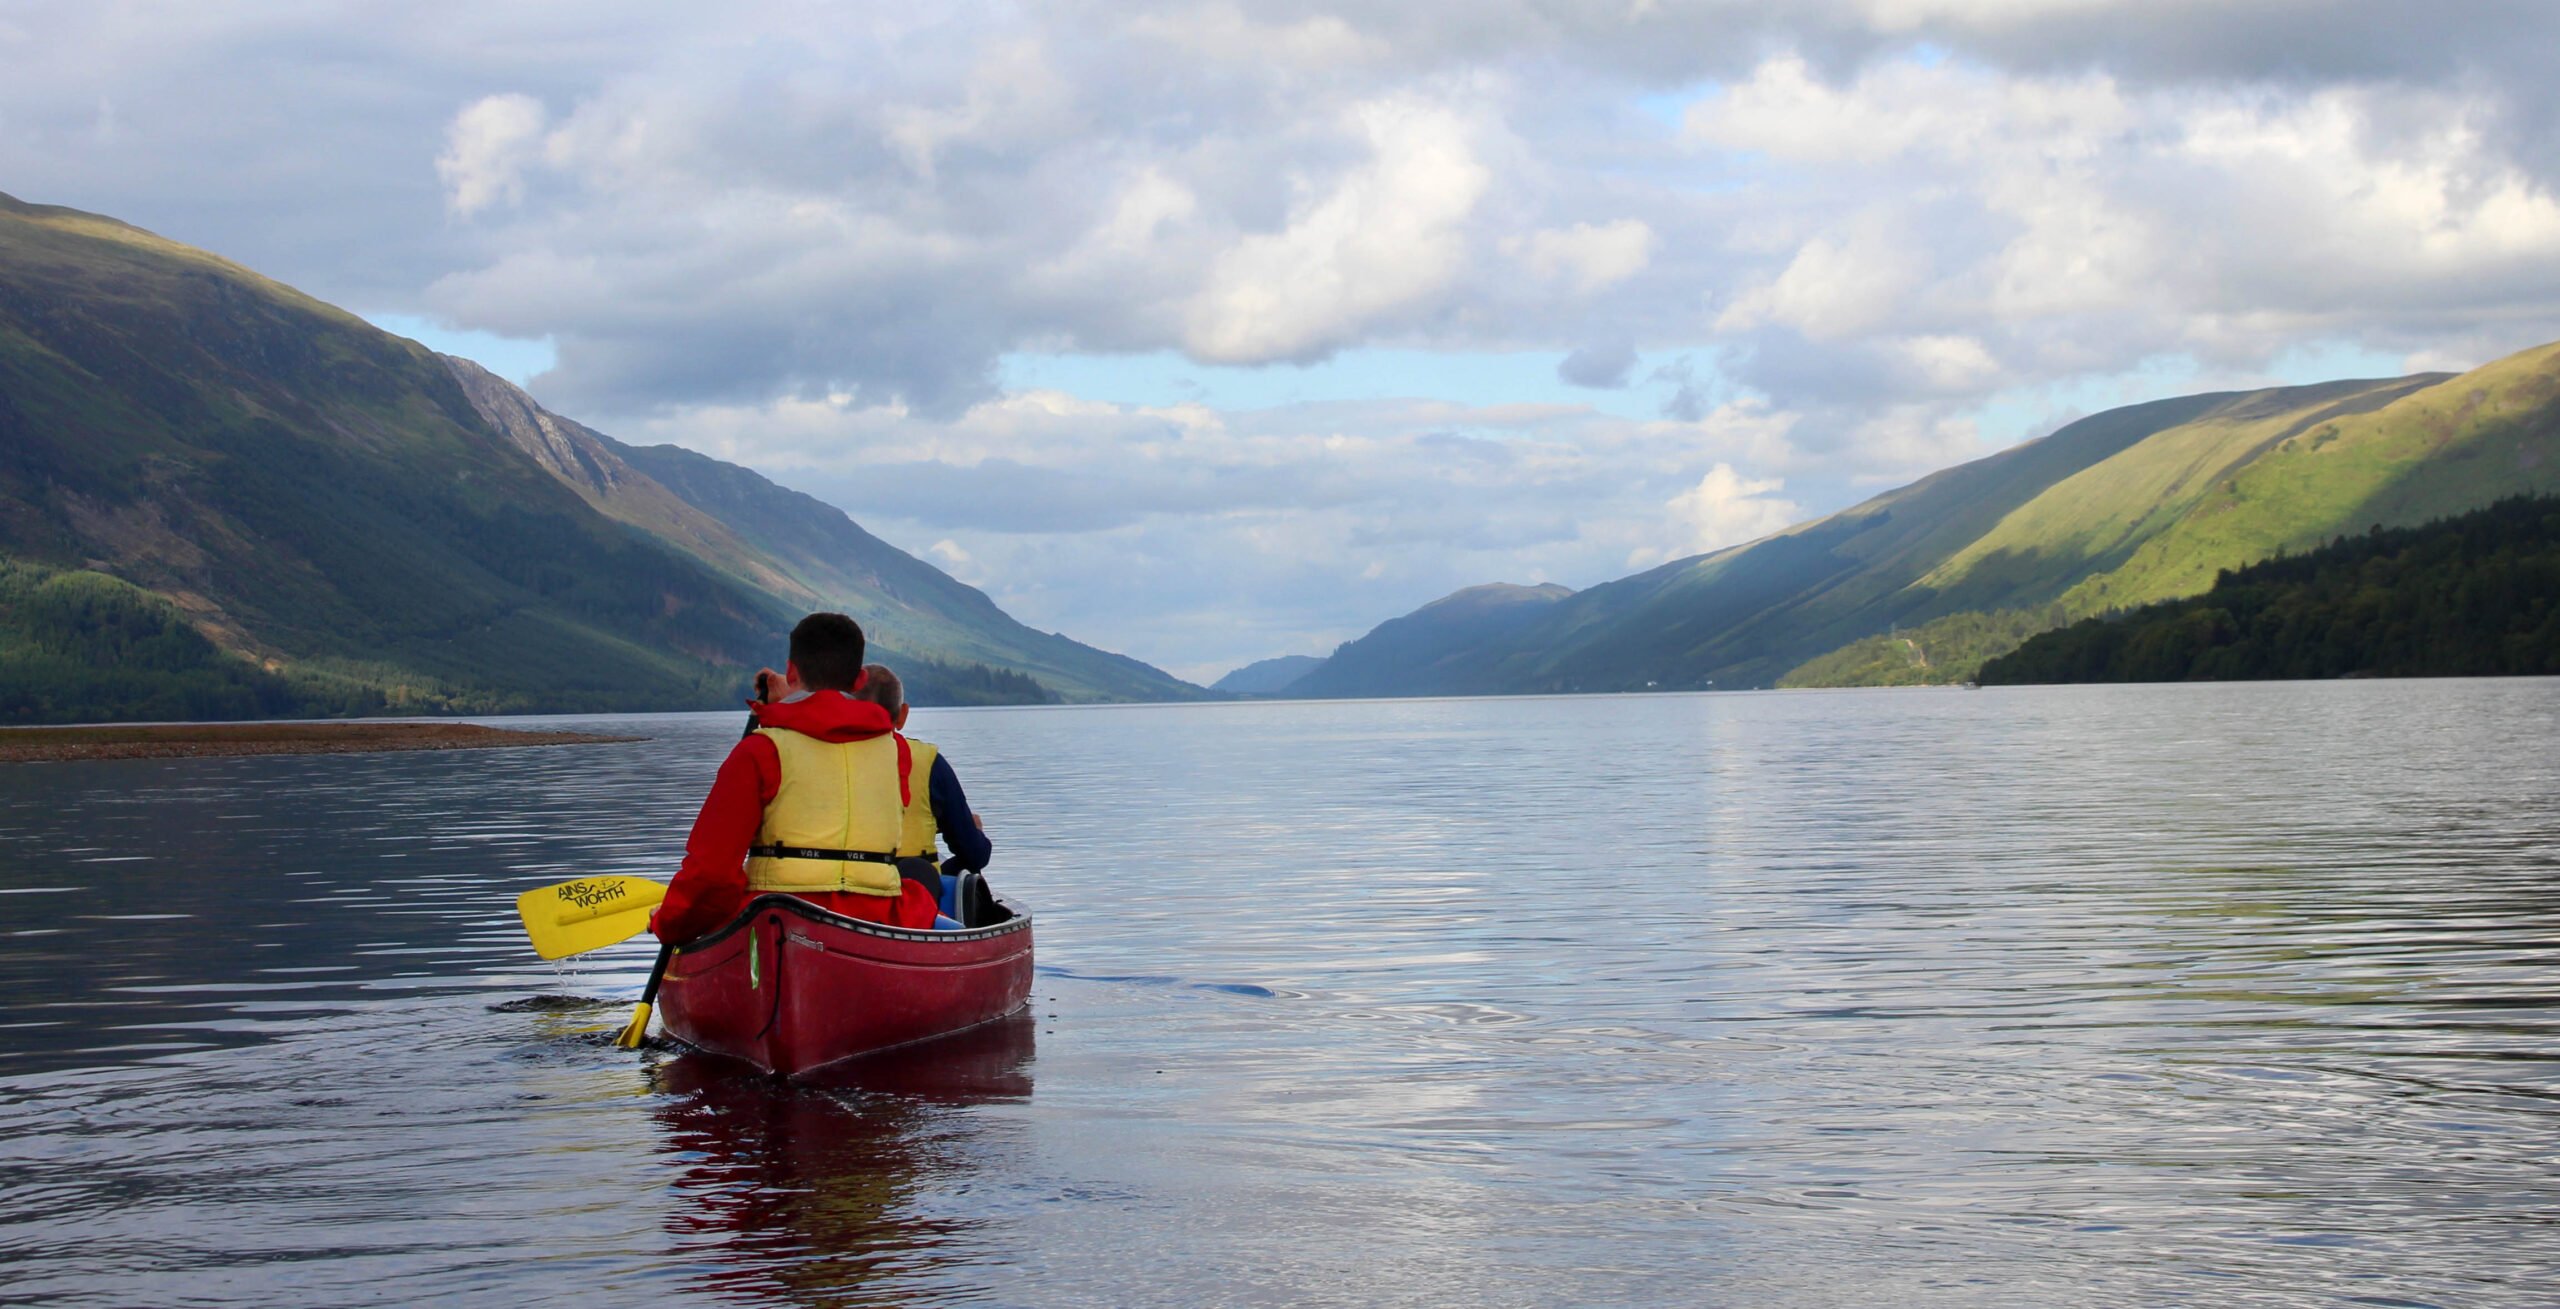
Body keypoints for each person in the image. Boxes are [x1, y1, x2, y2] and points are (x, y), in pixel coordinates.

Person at [651, 613, 941, 943]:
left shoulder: (759, 752)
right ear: (860, 679)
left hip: (776, 923)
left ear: (791, 671)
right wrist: (787, 705)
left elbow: (711, 876)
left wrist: (668, 925)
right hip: (877, 922)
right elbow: (830, 722)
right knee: (921, 881)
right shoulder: (897, 752)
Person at [853, 663, 992, 903]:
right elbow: (974, 854)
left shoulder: (822, 757)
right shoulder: (929, 763)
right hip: (917, 896)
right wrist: (977, 833)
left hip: (844, 891)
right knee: (969, 870)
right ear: (903, 714)